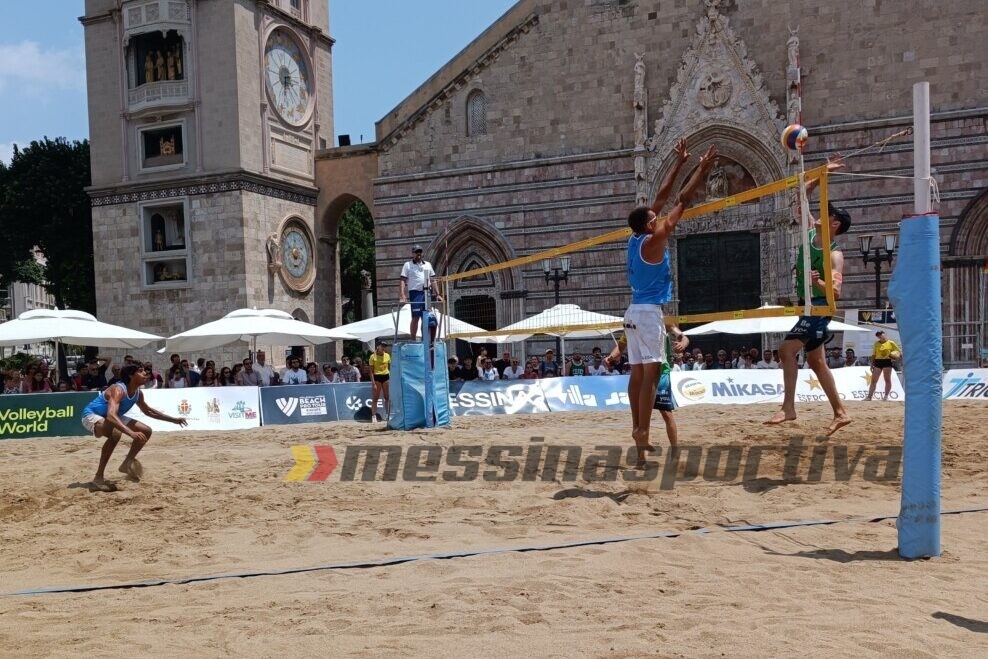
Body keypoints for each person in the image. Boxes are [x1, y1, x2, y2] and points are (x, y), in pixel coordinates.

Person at [624, 138, 716, 465]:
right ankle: (642, 432)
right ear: (651, 224)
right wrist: (702, 169)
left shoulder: (636, 238)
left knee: (637, 375)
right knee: (650, 377)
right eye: (655, 217)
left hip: (632, 312)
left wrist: (679, 163)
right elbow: (682, 200)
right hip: (648, 314)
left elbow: (662, 198)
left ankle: (639, 437)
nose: (658, 215)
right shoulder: (655, 240)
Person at [766, 158, 852, 435]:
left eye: (826, 213)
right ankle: (840, 413)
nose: (819, 214)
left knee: (785, 350)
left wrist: (820, 281)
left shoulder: (835, 254)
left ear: (835, 223)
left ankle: (788, 407)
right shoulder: (812, 233)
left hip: (819, 307)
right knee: (816, 362)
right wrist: (821, 173)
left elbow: (836, 293)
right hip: (808, 306)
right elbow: (800, 194)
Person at [80, 363, 188, 491]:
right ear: (131, 375)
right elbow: (110, 415)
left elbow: (148, 411)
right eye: (141, 371)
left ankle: (126, 463)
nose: (145, 373)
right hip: (92, 415)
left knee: (146, 431)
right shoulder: (118, 389)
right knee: (115, 433)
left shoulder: (138, 393)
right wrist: (131, 433)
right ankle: (98, 477)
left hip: (112, 416)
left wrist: (173, 420)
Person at [607, 324, 689, 451]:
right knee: (640, 417)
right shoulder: (632, 324)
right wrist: (610, 357)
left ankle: (674, 452)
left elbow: (682, 336)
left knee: (666, 413)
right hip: (641, 374)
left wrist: (683, 342)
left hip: (661, 372)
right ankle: (641, 460)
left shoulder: (662, 321)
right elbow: (620, 346)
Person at [399, 245, 444, 340]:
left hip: (427, 293)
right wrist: (403, 295)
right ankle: (413, 339)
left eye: (420, 251)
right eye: (416, 252)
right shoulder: (407, 265)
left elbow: (433, 280)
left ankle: (426, 339)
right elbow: (403, 280)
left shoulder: (428, 264)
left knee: (426, 317)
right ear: (413, 253)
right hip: (415, 293)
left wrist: (438, 294)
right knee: (416, 317)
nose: (418, 254)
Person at [865, 330, 902, 401]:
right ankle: (869, 396)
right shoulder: (876, 344)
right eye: (878, 335)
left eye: (880, 334)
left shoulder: (891, 343)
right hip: (878, 361)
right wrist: (871, 364)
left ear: (884, 334)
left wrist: (895, 357)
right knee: (874, 380)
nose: (879, 336)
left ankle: (886, 396)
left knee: (887, 379)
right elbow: (873, 355)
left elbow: (899, 352)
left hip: (887, 361)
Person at [369, 342, 391, 421]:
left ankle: (387, 415)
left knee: (387, 397)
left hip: (386, 376)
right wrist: (373, 383)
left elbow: (389, 368)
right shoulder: (372, 356)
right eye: (382, 346)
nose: (383, 347)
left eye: (385, 346)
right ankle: (373, 416)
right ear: (378, 346)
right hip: (377, 377)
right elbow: (371, 371)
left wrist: (390, 377)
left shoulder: (387, 355)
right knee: (375, 398)